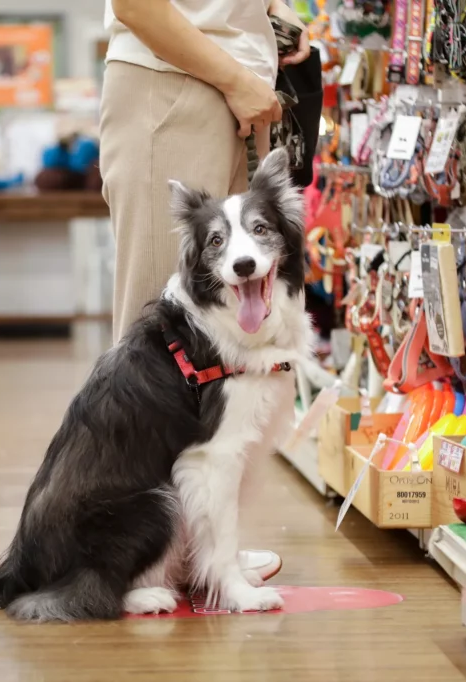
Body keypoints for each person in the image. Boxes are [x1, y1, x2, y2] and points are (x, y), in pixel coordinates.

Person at [99, 0, 312, 588]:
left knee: (227, 352)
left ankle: (203, 549)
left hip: (233, 88)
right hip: (174, 84)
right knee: (154, 346)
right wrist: (237, 76)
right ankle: (132, 556)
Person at [100, 0, 311, 342]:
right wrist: (236, 80)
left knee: (249, 346)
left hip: (247, 89)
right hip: (174, 77)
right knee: (160, 344)